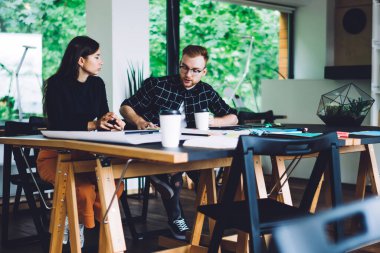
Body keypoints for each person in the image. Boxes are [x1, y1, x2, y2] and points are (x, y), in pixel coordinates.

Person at [119, 45, 238, 240]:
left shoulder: (205, 91)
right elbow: (126, 107)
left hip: (189, 147)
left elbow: (233, 117)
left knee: (204, 175)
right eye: (184, 67)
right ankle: (177, 219)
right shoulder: (158, 85)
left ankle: (214, 226)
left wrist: (215, 122)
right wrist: (140, 121)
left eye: (195, 70)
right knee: (174, 170)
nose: (188, 74)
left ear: (204, 72)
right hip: (156, 143)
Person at [37, 36, 126, 248]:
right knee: (84, 191)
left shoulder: (97, 84)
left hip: (87, 155)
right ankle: (76, 227)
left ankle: (84, 226)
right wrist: (94, 125)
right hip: (57, 156)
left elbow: (103, 115)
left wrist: (113, 121)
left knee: (114, 185)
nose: (101, 61)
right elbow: (58, 123)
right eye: (96, 56)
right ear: (80, 60)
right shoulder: (56, 85)